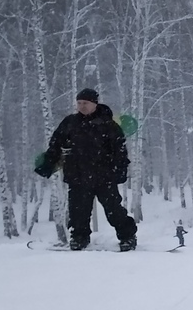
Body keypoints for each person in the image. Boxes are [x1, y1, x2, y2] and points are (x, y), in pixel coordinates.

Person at [34, 88, 137, 251]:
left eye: (85, 103)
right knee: (78, 212)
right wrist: (47, 164)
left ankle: (128, 237)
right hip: (77, 175)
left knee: (114, 210)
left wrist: (121, 170)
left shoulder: (108, 124)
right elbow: (55, 144)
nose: (82, 106)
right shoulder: (70, 122)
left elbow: (120, 150)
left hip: (105, 176)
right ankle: (79, 238)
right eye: (79, 103)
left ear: (94, 104)